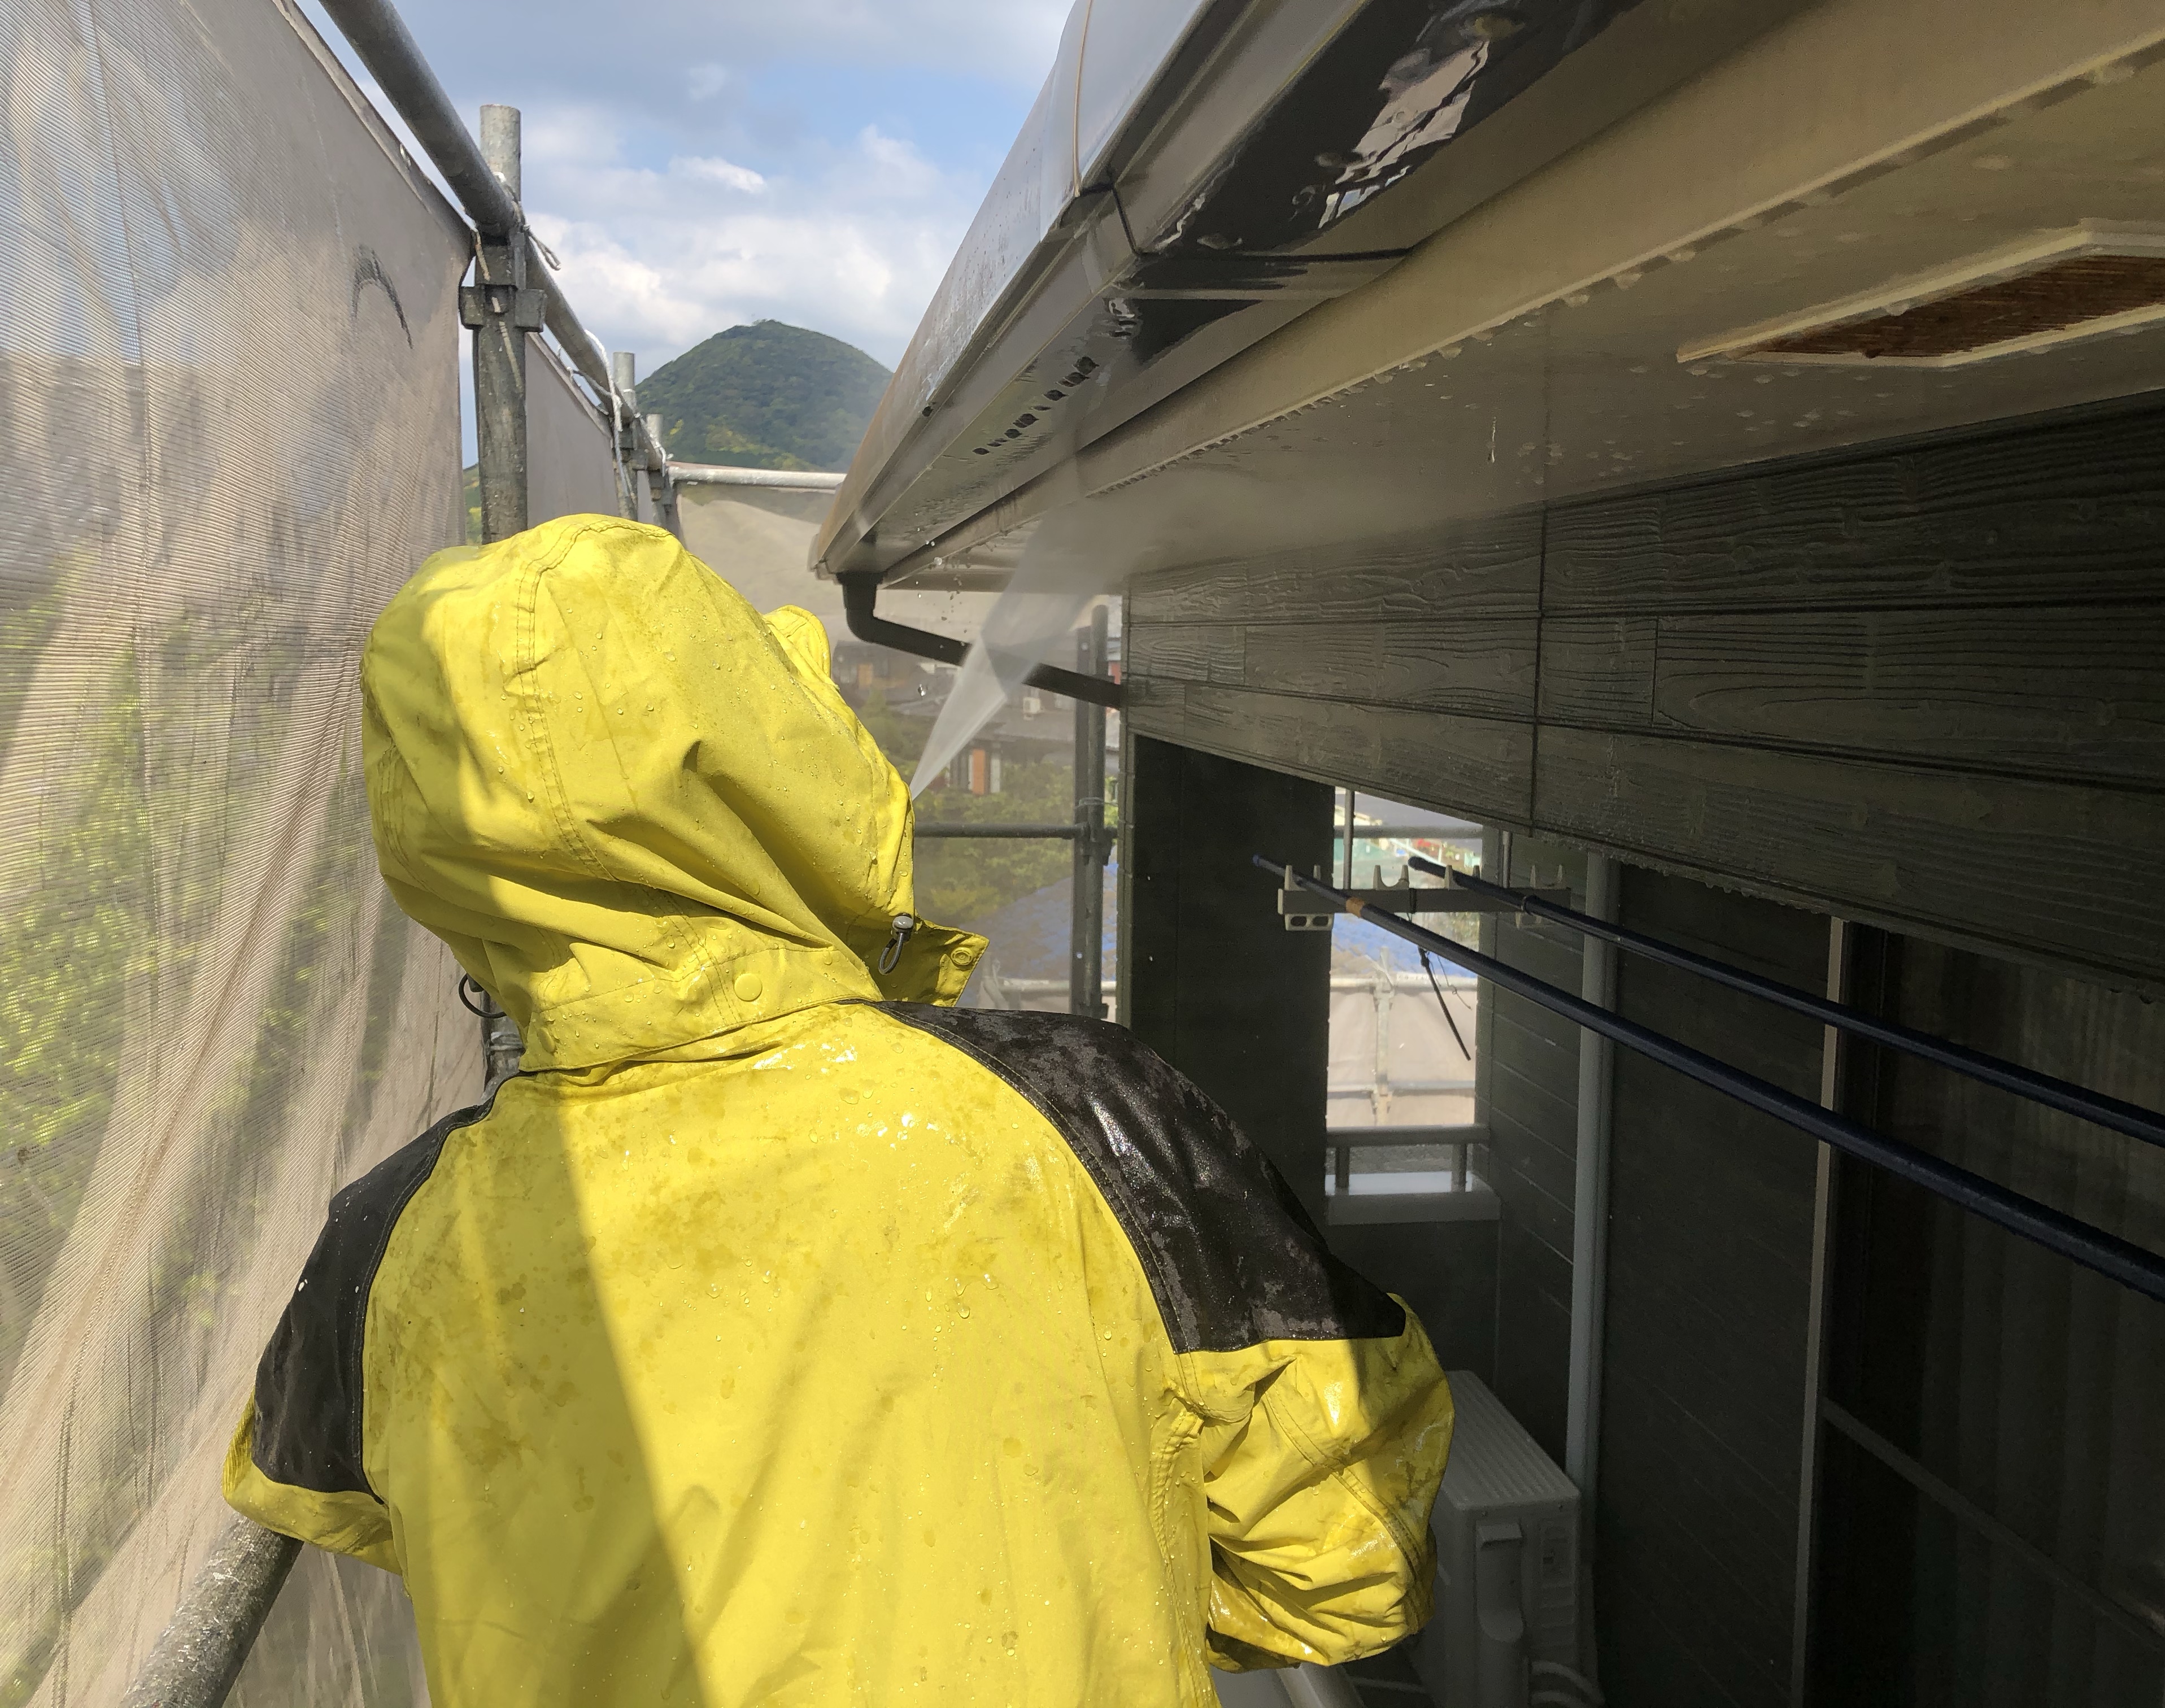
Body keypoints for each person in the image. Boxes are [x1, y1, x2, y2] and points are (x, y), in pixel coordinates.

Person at [224, 516, 1451, 1706]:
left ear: (428, 839)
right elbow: (1350, 1568)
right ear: (780, 760)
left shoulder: (384, 1249)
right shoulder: (1090, 1127)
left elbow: (360, 1513)